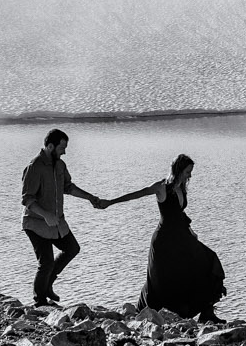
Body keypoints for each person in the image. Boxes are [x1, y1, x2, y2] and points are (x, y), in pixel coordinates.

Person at [103, 153, 226, 320]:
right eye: (188, 171)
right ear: (179, 170)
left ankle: (207, 313)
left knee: (208, 261)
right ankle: (155, 315)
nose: (190, 175)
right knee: (165, 279)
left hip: (182, 237)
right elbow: (137, 194)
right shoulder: (162, 187)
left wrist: (189, 230)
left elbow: (178, 214)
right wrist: (110, 202)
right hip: (164, 242)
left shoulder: (182, 187)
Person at [20, 128, 108, 305]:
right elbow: (27, 199)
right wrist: (45, 215)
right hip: (36, 223)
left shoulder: (60, 165)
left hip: (58, 223)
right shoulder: (35, 166)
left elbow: (68, 187)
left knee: (72, 248)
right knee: (46, 263)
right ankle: (40, 301)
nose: (65, 152)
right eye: (62, 148)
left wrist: (90, 197)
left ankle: (48, 285)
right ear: (50, 146)